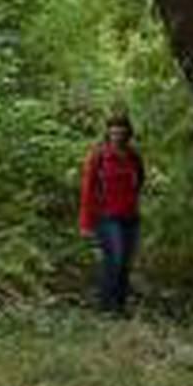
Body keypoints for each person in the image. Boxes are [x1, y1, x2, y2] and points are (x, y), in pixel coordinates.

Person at [78, 112, 145, 315]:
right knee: (113, 258)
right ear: (107, 133)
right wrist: (85, 223)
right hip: (106, 216)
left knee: (125, 262)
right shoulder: (99, 156)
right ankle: (106, 306)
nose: (117, 136)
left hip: (130, 216)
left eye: (121, 132)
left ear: (127, 133)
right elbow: (88, 189)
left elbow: (140, 180)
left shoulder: (133, 156)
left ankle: (120, 306)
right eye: (113, 132)